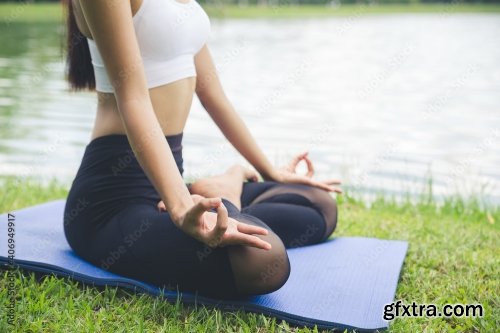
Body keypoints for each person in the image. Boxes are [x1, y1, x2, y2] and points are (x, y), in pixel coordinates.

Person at [62, 0, 341, 299]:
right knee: (264, 260)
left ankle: (216, 193)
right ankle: (224, 193)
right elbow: (133, 99)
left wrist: (270, 171)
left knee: (320, 205)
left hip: (168, 184)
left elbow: (212, 93)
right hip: (113, 202)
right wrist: (180, 206)